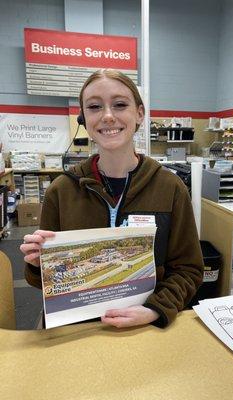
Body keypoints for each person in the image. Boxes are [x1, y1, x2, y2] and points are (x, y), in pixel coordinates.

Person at [20, 69, 203, 329]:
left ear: (139, 113)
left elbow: (189, 269)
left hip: (145, 327)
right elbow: (43, 281)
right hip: (77, 330)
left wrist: (155, 309)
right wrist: (40, 263)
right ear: (84, 118)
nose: (107, 116)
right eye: (95, 107)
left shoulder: (170, 188)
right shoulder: (61, 191)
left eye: (119, 105)